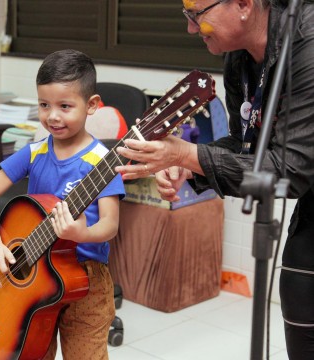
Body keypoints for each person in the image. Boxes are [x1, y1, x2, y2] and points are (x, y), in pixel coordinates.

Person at [114, 0, 314, 359]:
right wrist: (189, 165)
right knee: (299, 298)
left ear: (243, 5)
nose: (191, 28)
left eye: (197, 15)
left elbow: (292, 168)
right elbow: (245, 143)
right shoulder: (238, 57)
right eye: (186, 15)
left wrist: (185, 155)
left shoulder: (308, 42)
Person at [0, 49, 125, 359]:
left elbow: (110, 224)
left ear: (92, 105)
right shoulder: (34, 152)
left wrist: (81, 234)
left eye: (65, 106)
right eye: (44, 105)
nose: (52, 116)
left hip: (84, 281)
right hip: (34, 273)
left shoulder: (102, 163)